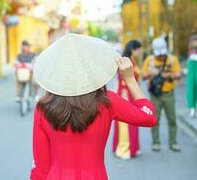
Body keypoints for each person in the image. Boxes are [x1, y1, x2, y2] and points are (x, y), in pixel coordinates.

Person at [30, 33, 157, 180]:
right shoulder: (107, 101)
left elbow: (40, 166)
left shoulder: (43, 107)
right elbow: (149, 117)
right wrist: (130, 78)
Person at [142, 37, 182, 152]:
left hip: (169, 94)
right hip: (155, 95)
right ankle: (155, 142)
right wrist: (151, 73)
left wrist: (167, 75)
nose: (160, 57)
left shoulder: (172, 59)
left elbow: (179, 74)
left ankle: (173, 142)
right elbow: (143, 76)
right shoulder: (149, 60)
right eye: (158, 54)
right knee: (154, 120)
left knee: (172, 119)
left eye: (162, 54)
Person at [112, 40, 142, 159]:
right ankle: (124, 149)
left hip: (132, 94)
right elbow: (123, 81)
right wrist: (123, 97)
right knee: (125, 122)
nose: (140, 52)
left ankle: (133, 147)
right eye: (138, 50)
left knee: (133, 121)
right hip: (126, 94)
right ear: (133, 50)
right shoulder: (127, 63)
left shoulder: (131, 61)